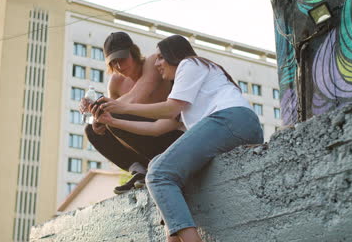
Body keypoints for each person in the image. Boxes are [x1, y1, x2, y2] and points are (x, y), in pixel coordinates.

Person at [95, 35, 263, 242]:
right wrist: (112, 121)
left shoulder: (189, 64)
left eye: (160, 58)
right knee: (159, 166)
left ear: (172, 55)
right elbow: (156, 128)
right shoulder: (186, 95)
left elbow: (169, 108)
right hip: (229, 125)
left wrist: (123, 106)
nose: (156, 63)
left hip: (232, 120)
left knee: (158, 174)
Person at [81, 32, 183, 194]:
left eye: (122, 59)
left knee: (110, 117)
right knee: (92, 130)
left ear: (133, 52)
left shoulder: (152, 63)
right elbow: (116, 124)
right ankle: (139, 170)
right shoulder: (115, 82)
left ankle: (154, 168)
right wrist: (97, 116)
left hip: (172, 134)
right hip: (145, 143)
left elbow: (136, 97)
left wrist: (101, 110)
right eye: (113, 63)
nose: (119, 66)